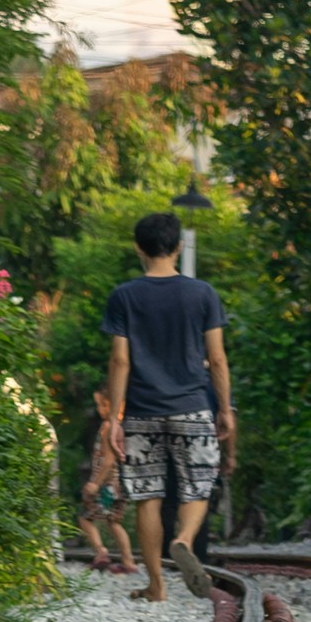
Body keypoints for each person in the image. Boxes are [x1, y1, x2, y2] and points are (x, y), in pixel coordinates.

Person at [89, 213, 236, 601]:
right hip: (192, 407)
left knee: (146, 496)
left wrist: (116, 418)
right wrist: (225, 408)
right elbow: (217, 359)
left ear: (138, 247)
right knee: (197, 488)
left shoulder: (124, 296)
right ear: (179, 247)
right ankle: (184, 539)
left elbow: (120, 361)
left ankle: (156, 585)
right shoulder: (203, 293)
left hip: (140, 412)